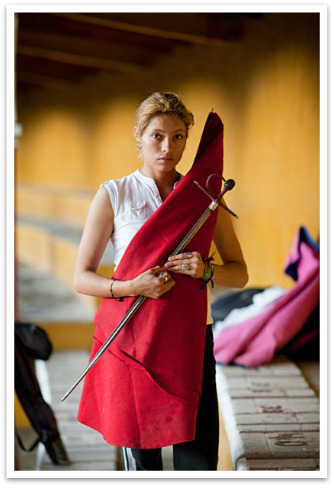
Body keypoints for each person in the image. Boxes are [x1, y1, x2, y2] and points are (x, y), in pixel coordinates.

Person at [73, 91, 248, 471]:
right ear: (139, 134)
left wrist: (206, 270)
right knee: (143, 463)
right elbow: (81, 277)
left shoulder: (205, 197)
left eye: (179, 136)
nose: (168, 147)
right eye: (157, 135)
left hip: (190, 339)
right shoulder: (114, 194)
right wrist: (131, 287)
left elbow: (240, 273)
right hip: (134, 340)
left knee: (198, 462)